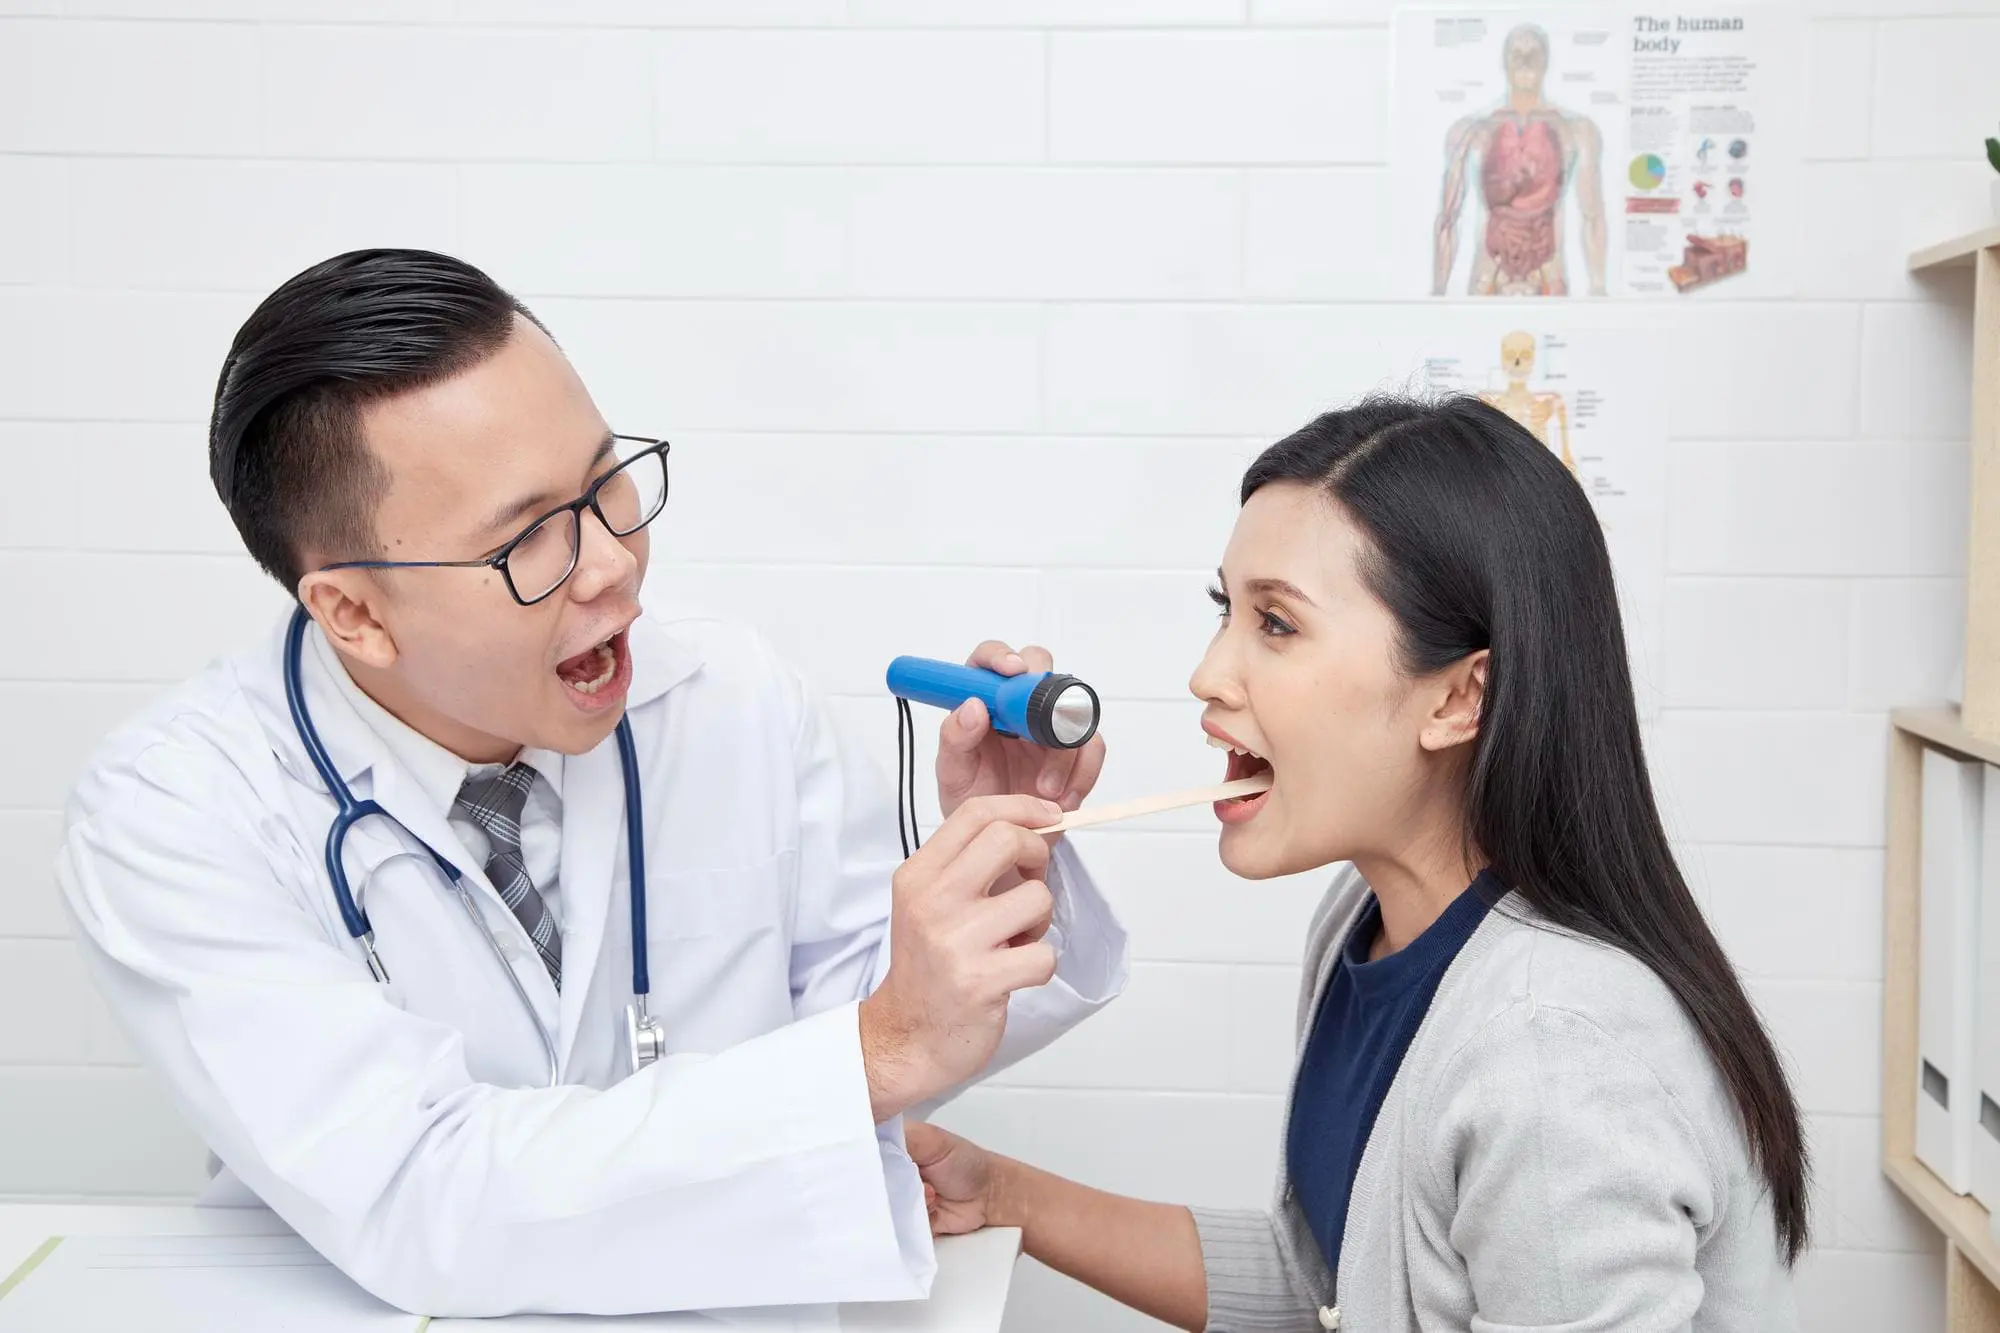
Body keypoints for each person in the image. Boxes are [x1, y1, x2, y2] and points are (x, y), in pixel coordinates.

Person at [55, 249, 1128, 1317]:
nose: (612, 563)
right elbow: (418, 1192)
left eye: (608, 485)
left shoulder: (729, 692)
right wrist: (875, 1049)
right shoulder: (174, 811)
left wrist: (997, 854)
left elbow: (899, 1030)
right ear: (355, 615)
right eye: (528, 539)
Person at [909, 396, 1807, 1332]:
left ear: (1460, 698)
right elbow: (1332, 1289)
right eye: (1227, 609)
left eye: (1278, 624)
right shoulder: (1366, 918)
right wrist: (1003, 1194)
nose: (1209, 673)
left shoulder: (1553, 1059)